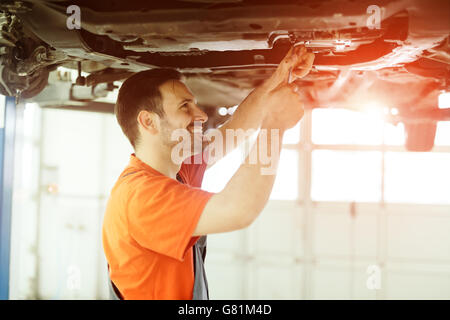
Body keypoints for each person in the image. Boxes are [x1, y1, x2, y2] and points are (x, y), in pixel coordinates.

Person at [102, 46, 315, 300]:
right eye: (185, 107)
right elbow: (238, 209)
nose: (201, 115)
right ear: (149, 122)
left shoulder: (177, 168)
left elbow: (237, 128)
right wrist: (274, 127)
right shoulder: (142, 197)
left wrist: (280, 77)